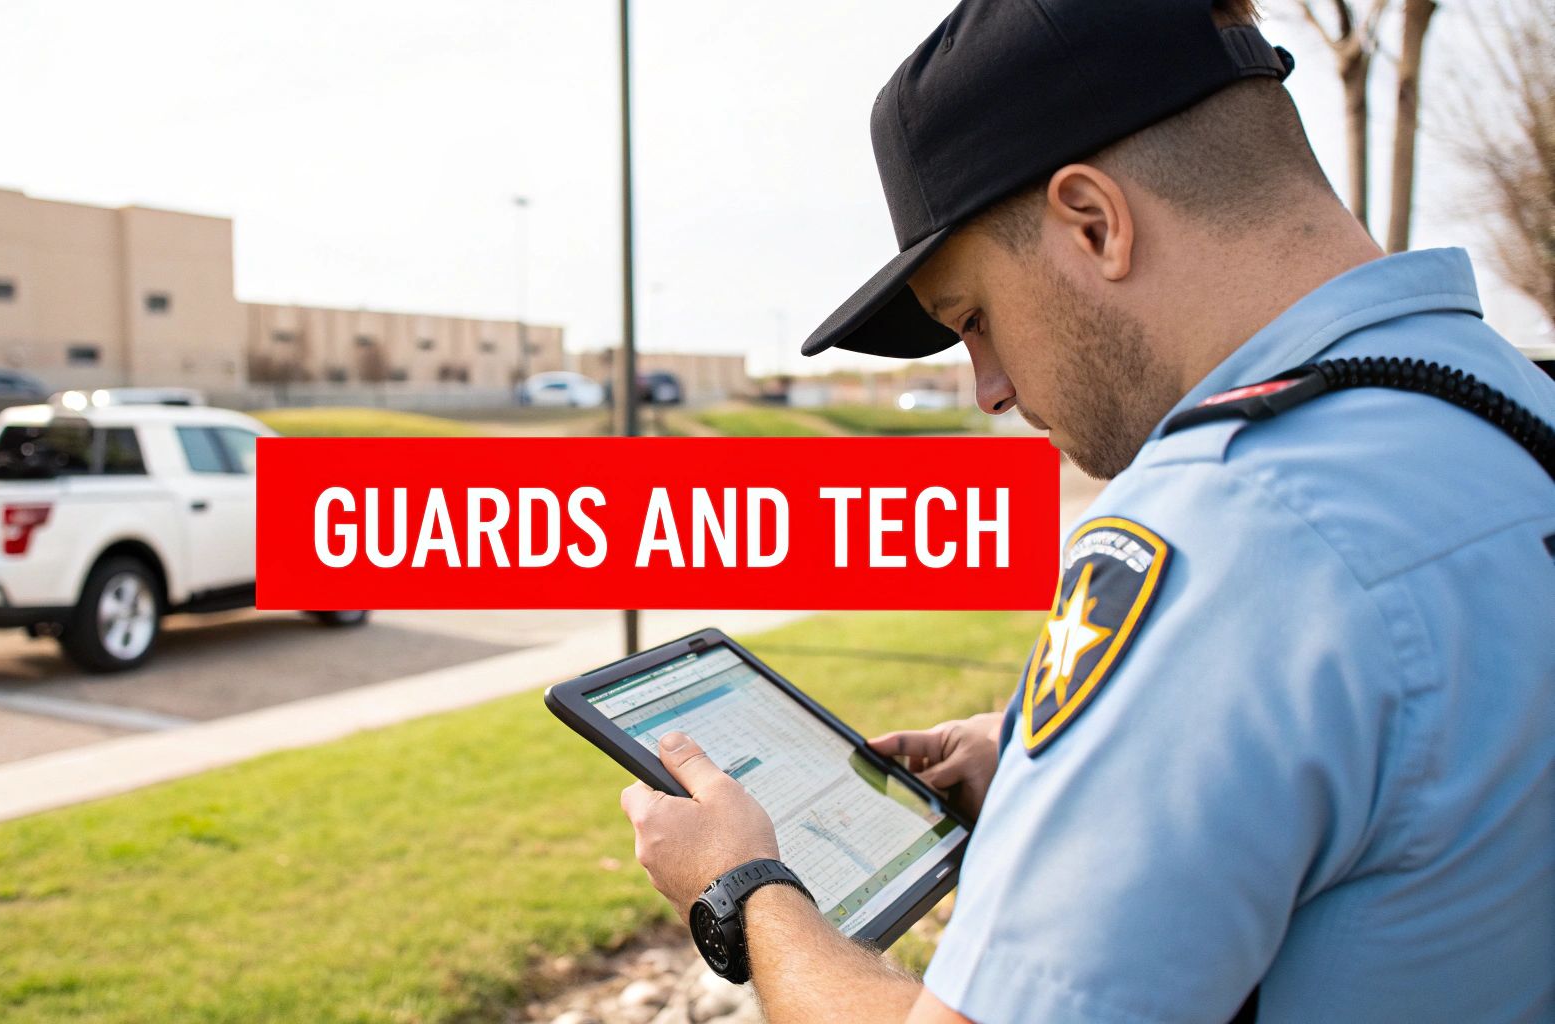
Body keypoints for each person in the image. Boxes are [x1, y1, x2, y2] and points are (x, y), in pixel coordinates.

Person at [619, 1, 1555, 1021]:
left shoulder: (1225, 535)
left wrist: (747, 891)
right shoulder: (1501, 404)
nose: (985, 388)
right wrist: (1070, 763)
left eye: (973, 319)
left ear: (1094, 223)